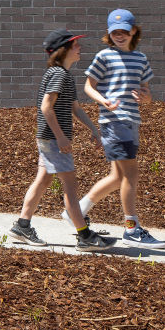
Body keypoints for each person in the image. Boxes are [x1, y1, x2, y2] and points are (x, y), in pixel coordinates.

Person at [10, 28, 117, 249]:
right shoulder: (58, 74)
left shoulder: (65, 75)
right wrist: (60, 137)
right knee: (70, 185)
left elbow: (74, 108)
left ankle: (22, 225)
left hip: (49, 138)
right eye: (75, 45)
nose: (79, 48)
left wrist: (93, 130)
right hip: (53, 139)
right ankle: (85, 236)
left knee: (43, 180)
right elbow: (46, 107)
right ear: (63, 51)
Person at [72, 7, 165, 249]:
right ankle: (131, 229)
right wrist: (102, 100)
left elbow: (147, 94)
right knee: (130, 175)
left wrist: (146, 98)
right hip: (114, 121)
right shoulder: (104, 56)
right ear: (108, 33)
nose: (120, 35)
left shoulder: (141, 59)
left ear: (134, 31)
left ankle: (76, 210)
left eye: (125, 31)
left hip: (131, 121)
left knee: (117, 177)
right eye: (115, 32)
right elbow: (88, 86)